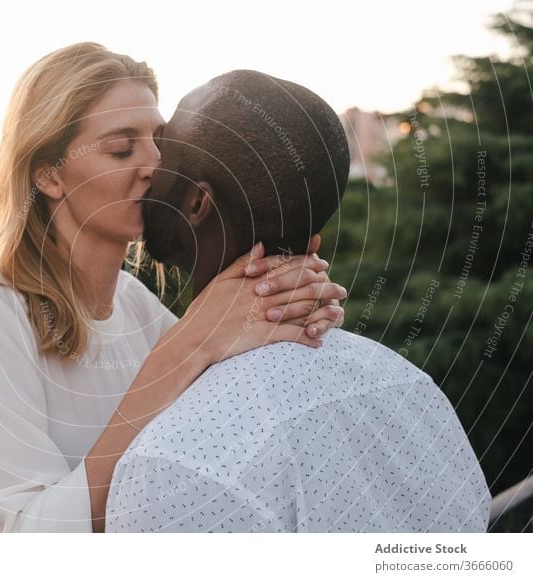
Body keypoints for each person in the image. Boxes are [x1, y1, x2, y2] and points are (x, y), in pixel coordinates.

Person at [0, 44, 348, 533]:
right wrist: (192, 342)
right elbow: (32, 530)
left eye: (160, 141)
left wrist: (290, 302)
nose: (156, 164)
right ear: (48, 174)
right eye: (121, 147)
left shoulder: (139, 307)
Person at [105, 70, 491, 532]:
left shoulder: (170, 464)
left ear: (196, 205)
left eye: (165, 149)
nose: (149, 168)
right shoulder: (412, 389)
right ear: (314, 237)